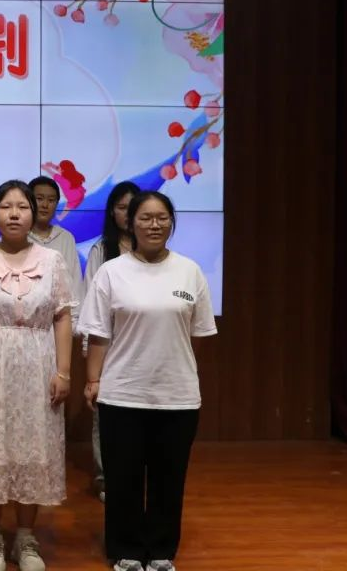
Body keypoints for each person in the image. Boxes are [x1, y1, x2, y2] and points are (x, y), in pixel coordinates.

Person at [80, 191, 217, 571]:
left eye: (162, 218)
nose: (154, 225)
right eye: (145, 217)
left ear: (171, 222)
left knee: (168, 479)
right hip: (122, 393)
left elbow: (197, 335)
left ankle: (160, 551)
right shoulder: (112, 272)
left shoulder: (190, 270)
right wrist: (92, 380)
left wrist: (179, 368)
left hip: (177, 395)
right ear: (130, 223)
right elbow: (98, 333)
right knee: (122, 478)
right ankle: (125, 549)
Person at [0, 180, 76, 571]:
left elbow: (62, 316)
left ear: (33, 214)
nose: (14, 214)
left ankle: (26, 538)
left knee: (31, 449)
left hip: (38, 366)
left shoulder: (52, 261)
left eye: (22, 207)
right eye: (6, 207)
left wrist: (64, 372)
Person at [79, 181, 139, 503]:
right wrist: (88, 351)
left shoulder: (154, 252)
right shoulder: (101, 251)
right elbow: (90, 303)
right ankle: (105, 477)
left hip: (142, 345)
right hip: (109, 346)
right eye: (121, 207)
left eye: (133, 207)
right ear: (112, 213)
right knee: (104, 415)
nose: (127, 214)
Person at [27, 175, 84, 310]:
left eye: (51, 200)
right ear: (28, 201)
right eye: (39, 199)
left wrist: (74, 318)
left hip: (62, 316)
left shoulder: (66, 238)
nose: (45, 205)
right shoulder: (18, 237)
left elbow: (75, 283)